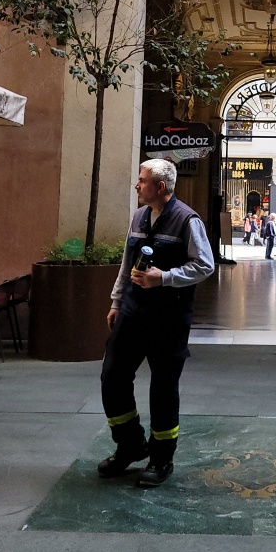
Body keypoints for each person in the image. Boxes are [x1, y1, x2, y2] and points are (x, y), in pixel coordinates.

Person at [97, 158, 214, 487]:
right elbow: (127, 263)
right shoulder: (138, 216)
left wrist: (165, 277)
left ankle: (161, 458)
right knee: (113, 375)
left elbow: (204, 265)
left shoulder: (187, 220)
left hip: (168, 318)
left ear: (160, 187)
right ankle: (130, 445)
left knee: (163, 387)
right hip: (133, 312)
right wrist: (116, 301)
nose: (137, 185)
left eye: (142, 180)